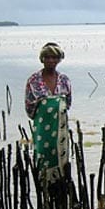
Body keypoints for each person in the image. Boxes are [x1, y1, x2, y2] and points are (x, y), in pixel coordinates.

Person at [24, 42, 72, 182]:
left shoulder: (64, 80)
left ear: (59, 59)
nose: (51, 60)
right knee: (43, 157)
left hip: (61, 129)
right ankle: (44, 187)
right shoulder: (33, 80)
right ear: (42, 58)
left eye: (54, 57)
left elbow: (67, 104)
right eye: (47, 57)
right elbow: (29, 108)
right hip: (42, 129)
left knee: (61, 160)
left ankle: (61, 184)